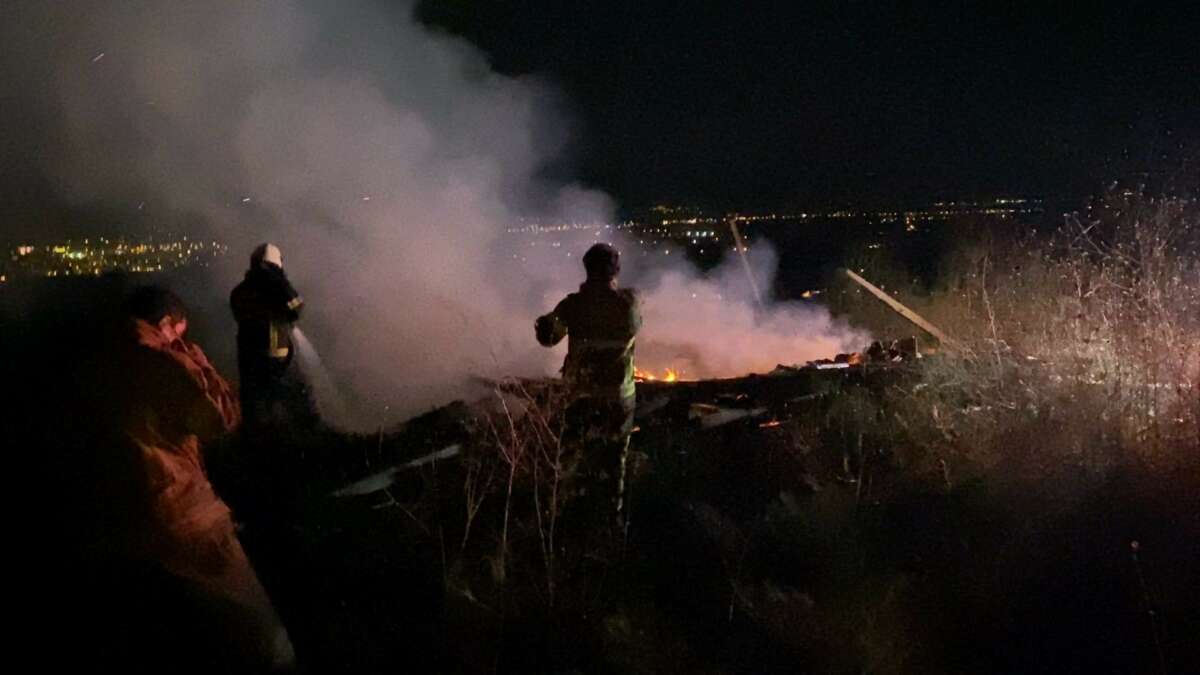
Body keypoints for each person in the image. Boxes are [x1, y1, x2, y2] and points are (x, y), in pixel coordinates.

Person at [79, 285, 295, 672]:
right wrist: (197, 362)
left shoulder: (99, 362)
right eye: (181, 332)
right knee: (261, 615)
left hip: (120, 523)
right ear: (166, 324)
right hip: (181, 514)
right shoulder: (160, 364)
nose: (183, 340)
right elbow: (220, 421)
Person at [536, 243, 642, 526]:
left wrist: (545, 323)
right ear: (615, 270)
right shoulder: (628, 303)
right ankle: (609, 522)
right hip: (619, 398)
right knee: (614, 461)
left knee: (571, 457)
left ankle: (564, 520)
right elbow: (633, 320)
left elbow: (548, 338)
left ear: (587, 269)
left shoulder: (573, 305)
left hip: (579, 396)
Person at [230, 243, 312, 434]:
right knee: (300, 403)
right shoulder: (279, 289)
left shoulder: (239, 291)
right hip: (278, 361)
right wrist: (280, 281)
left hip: (249, 361)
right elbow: (298, 307)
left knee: (257, 411)